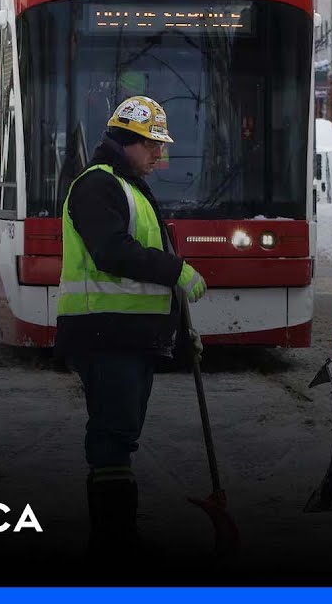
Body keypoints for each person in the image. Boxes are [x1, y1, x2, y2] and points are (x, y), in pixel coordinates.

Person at [56, 95, 208, 557]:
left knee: (121, 435)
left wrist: (178, 330)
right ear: (125, 141)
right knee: (113, 436)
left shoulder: (129, 187)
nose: (159, 154)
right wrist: (175, 269)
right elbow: (112, 251)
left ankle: (117, 537)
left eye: (160, 145)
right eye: (151, 145)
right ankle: (114, 541)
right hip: (104, 333)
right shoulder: (97, 185)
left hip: (129, 335)